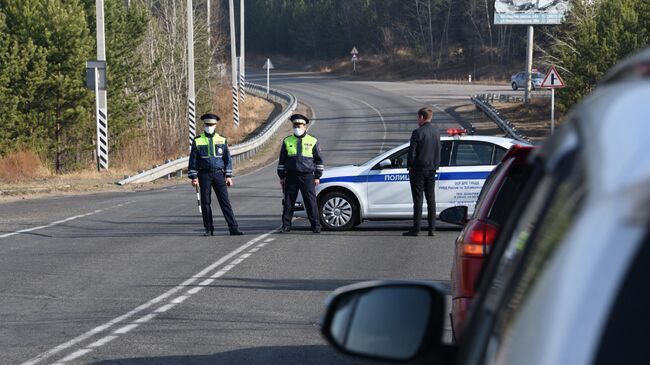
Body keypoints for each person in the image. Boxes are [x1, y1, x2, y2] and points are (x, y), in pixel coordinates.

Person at [188, 113, 243, 236]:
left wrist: (228, 176)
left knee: (225, 202)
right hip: (204, 175)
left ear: (215, 125)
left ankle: (233, 228)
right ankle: (208, 229)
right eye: (207, 124)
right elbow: (193, 160)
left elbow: (227, 159)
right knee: (205, 202)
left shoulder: (222, 139)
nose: (209, 126)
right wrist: (194, 177)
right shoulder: (197, 140)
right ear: (204, 125)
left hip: (219, 174)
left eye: (211, 124)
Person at [277, 114, 324, 233]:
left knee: (310, 202)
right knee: (288, 202)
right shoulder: (287, 141)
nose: (297, 127)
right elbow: (282, 161)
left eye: (300, 125)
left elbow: (319, 160)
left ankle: (316, 226)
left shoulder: (312, 140)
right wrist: (282, 177)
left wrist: (317, 176)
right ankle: (286, 226)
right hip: (291, 176)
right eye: (295, 125)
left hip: (307, 176)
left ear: (305, 126)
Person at [403, 107, 441, 237]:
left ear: (421, 118)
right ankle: (432, 229)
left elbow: (411, 152)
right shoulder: (436, 132)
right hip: (432, 169)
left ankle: (416, 228)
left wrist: (409, 165)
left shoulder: (417, 132)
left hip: (418, 169)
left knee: (418, 200)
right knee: (431, 200)